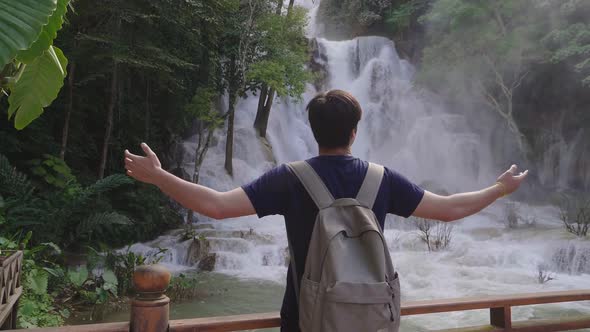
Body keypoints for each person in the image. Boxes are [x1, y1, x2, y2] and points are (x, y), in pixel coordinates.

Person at [124, 89, 528, 331]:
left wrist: (160, 176)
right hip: (370, 318)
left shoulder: (288, 178)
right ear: (355, 132)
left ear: (313, 132)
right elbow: (448, 210)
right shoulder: (382, 178)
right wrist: (499, 188)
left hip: (305, 320)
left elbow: (215, 205)